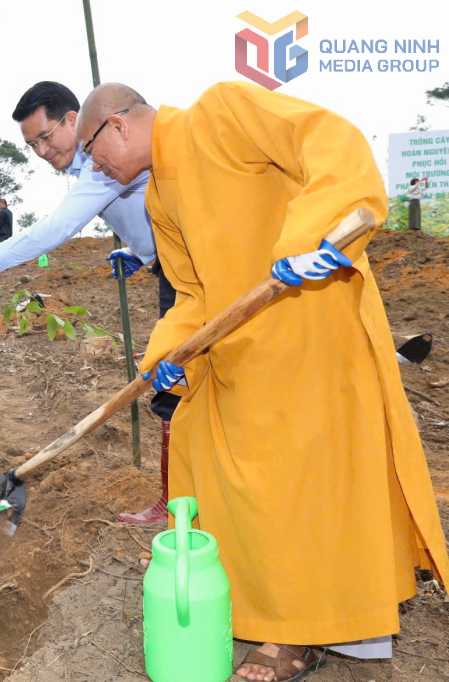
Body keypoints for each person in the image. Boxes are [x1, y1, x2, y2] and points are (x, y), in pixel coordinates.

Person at [76, 80, 449, 680]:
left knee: (302, 490)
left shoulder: (222, 111)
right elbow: (192, 293)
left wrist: (319, 233)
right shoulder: (159, 199)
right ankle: (264, 607)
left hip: (311, 333)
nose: (97, 168)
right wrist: (169, 356)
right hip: (242, 355)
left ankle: (296, 635)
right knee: (206, 460)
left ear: (115, 125)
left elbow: (326, 138)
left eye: (93, 154)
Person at [0, 81, 177, 525]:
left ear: (73, 120)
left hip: (185, 270)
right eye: (31, 143)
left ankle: (174, 504)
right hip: (167, 264)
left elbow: (56, 229)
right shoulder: (91, 169)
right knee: (179, 385)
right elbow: (154, 206)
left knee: (173, 389)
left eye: (45, 136)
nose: (40, 150)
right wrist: (141, 251)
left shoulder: (101, 163)